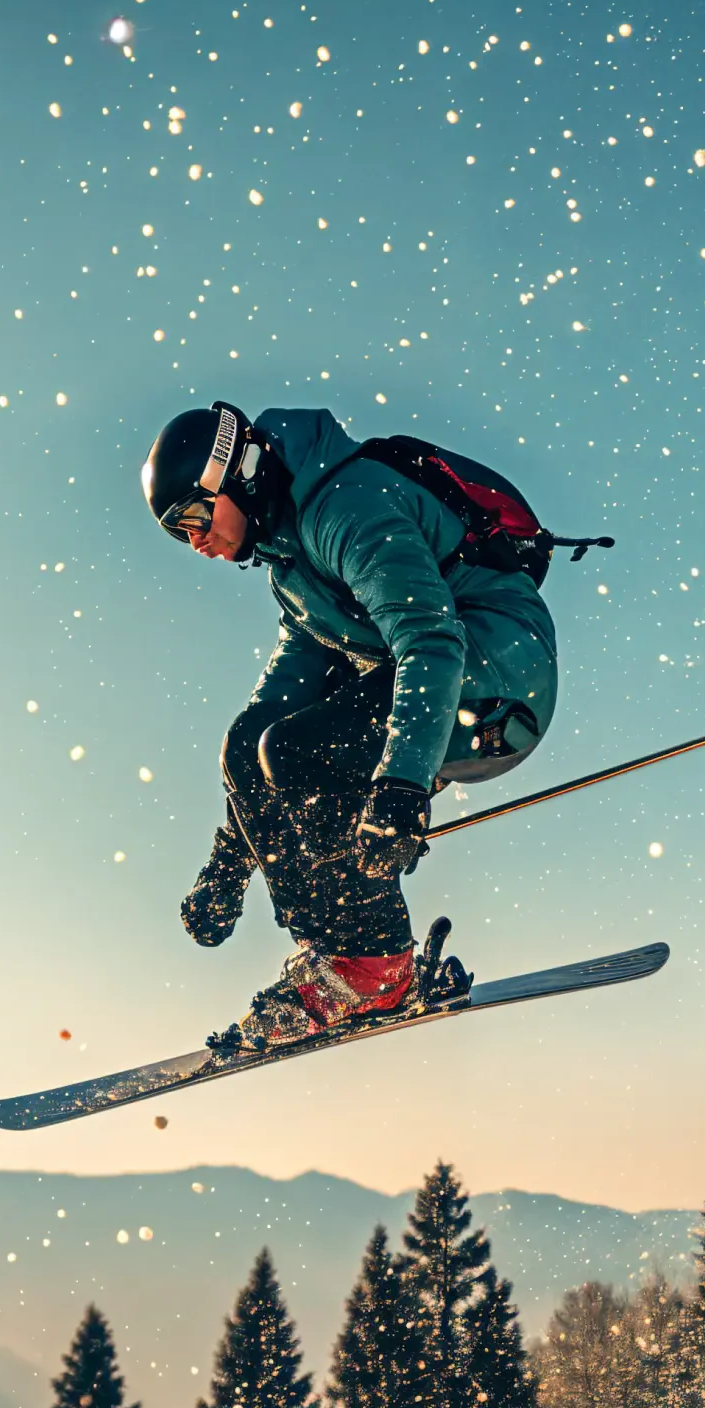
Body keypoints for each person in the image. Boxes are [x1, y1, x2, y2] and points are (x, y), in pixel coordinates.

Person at [142, 400, 568, 1053]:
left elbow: (430, 638)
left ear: (242, 473)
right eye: (178, 534)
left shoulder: (347, 506)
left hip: (496, 673)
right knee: (253, 741)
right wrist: (229, 863)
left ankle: (375, 963)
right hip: (432, 679)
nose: (195, 541)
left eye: (195, 517)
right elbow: (269, 716)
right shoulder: (291, 572)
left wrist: (400, 785)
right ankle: (338, 957)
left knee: (298, 752)